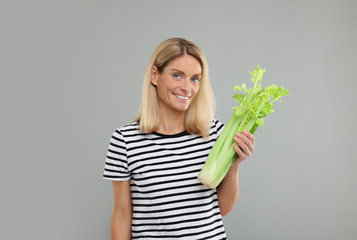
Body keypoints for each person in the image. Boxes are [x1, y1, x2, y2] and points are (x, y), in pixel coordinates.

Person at [102, 38, 255, 240]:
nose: (187, 88)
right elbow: (122, 215)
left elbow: (223, 209)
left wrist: (234, 165)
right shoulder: (125, 141)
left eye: (195, 79)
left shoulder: (216, 134)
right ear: (155, 76)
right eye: (177, 75)